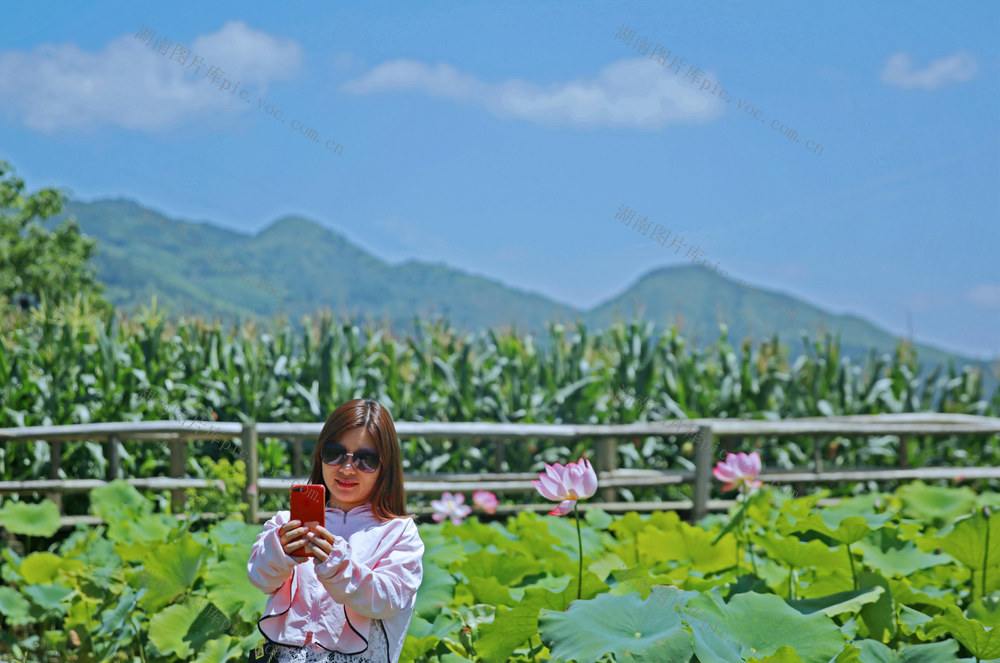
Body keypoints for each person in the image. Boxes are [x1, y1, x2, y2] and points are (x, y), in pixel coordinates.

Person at [246, 399, 424, 663]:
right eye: (334, 453)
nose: (347, 468)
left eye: (365, 459)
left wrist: (339, 567)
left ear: (385, 467)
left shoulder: (399, 533)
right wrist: (279, 551)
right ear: (320, 455)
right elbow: (260, 578)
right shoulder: (286, 523)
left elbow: (387, 600)